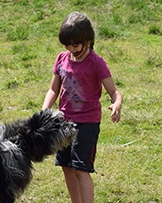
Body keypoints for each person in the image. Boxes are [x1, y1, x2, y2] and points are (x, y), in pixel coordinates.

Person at [42, 12, 122, 203]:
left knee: (80, 168)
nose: (71, 48)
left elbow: (114, 91)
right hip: (64, 122)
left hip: (87, 123)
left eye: (75, 44)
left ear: (87, 39)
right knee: (66, 166)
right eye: (66, 44)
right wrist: (45, 110)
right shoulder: (62, 59)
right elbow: (53, 89)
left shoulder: (96, 63)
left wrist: (117, 103)